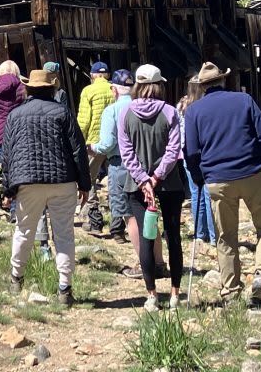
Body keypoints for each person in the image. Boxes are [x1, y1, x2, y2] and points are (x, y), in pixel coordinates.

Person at [184, 62, 261, 310]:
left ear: (202, 86)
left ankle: (230, 292)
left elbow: (192, 152)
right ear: (223, 80)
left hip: (217, 179)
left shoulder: (194, 111)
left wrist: (198, 177)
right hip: (251, 173)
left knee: (226, 237)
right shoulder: (244, 100)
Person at [2, 68, 91, 307]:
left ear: (28, 88)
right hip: (62, 181)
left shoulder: (15, 115)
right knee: (63, 234)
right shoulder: (62, 113)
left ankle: (16, 278)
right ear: (52, 88)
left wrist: (7, 189)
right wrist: (85, 185)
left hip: (27, 182)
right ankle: (64, 288)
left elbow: (7, 155)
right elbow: (78, 150)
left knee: (24, 231)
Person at [118, 64, 186, 312]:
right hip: (169, 184)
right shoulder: (170, 112)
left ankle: (152, 296)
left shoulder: (125, 113)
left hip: (136, 187)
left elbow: (126, 153)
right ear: (159, 85)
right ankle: (176, 295)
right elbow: (174, 150)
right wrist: (157, 177)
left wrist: (143, 180)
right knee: (173, 237)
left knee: (146, 239)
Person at [90, 69, 134, 244]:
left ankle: (118, 231)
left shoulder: (112, 110)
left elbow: (107, 143)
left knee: (118, 199)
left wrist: (93, 147)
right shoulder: (140, 106)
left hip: (120, 161)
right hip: (141, 161)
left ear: (114, 90)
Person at [78, 61, 115, 232]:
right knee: (115, 180)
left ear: (92, 75)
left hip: (94, 142)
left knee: (90, 179)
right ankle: (118, 222)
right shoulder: (115, 89)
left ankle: (95, 220)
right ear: (107, 75)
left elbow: (84, 121)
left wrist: (79, 140)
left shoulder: (88, 91)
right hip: (115, 143)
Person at [177, 80, 216, 247]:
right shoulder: (206, 106)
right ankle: (214, 236)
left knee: (195, 194)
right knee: (208, 194)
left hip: (187, 153)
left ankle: (199, 233)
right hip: (206, 153)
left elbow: (180, 132)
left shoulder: (181, 105)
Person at [0, 60, 26, 162]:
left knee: (5, 167)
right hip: (19, 130)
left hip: (0, 131)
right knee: (20, 165)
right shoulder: (22, 87)